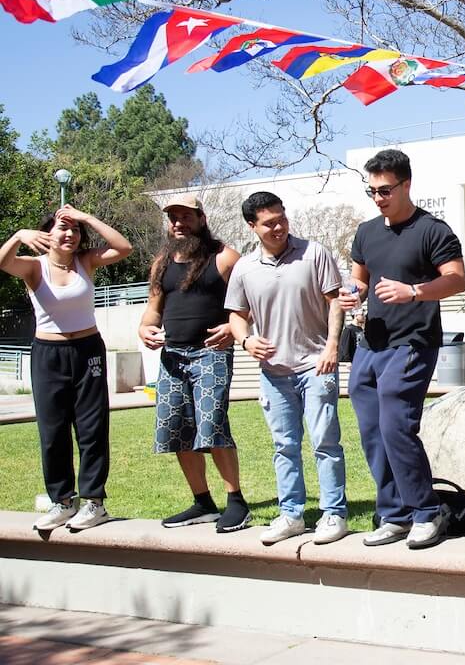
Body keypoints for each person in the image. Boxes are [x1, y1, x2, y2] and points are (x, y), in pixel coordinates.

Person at [338, 149, 465, 550]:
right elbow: (361, 279)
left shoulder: (434, 230)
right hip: (370, 344)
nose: (378, 198)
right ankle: (394, 514)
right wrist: (352, 293)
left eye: (385, 190)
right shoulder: (367, 232)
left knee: (397, 426)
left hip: (413, 342)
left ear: (406, 184)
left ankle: (428, 512)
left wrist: (413, 291)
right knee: (373, 432)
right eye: (372, 190)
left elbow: (457, 280)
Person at [225, 192, 350, 546]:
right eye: (269, 222)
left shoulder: (314, 253)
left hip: (316, 365)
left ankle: (334, 513)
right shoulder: (245, 268)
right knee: (284, 446)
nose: (278, 226)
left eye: (282, 218)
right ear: (252, 226)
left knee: (325, 442)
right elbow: (236, 314)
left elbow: (335, 302)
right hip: (274, 373)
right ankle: (292, 514)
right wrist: (246, 340)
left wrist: (331, 347)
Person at [1, 205, 132, 531]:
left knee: (92, 428)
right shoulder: (34, 267)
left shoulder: (85, 261)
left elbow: (124, 247)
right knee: (52, 431)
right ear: (47, 234)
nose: (70, 234)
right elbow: (2, 262)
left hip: (88, 351)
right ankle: (61, 501)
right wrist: (19, 235)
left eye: (76, 230)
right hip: (48, 354)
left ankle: (93, 503)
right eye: (63, 228)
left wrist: (87, 217)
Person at [138, 194, 249, 532]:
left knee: (212, 425)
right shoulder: (161, 263)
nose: (178, 223)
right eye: (173, 217)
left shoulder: (225, 258)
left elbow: (252, 302)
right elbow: (153, 309)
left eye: (186, 216)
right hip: (172, 356)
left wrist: (234, 327)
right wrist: (144, 328)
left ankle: (236, 502)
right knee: (176, 431)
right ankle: (202, 502)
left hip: (211, 354)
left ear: (201, 219)